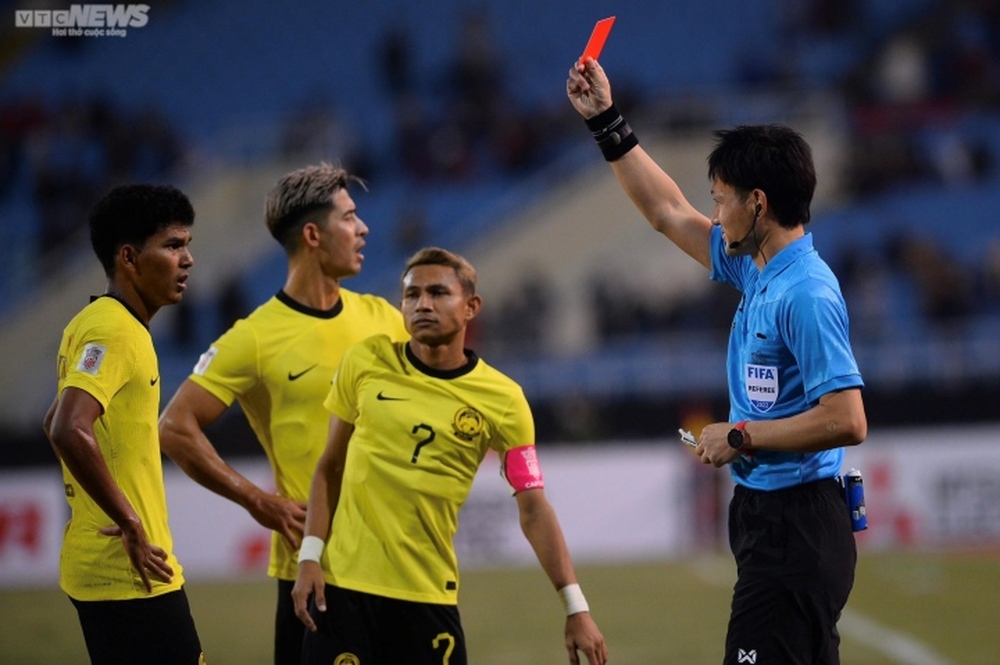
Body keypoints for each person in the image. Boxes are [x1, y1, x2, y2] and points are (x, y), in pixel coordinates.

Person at [567, 59, 867, 664]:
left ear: (758, 204)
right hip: (767, 520)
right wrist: (605, 120)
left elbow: (848, 419)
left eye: (721, 200)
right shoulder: (756, 266)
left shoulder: (804, 293)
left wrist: (740, 434)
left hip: (798, 525)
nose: (714, 212)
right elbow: (666, 213)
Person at [292, 247, 608, 665]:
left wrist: (575, 605)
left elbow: (533, 508)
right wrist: (309, 557)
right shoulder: (366, 361)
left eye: (438, 293)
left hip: (426, 596)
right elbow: (330, 467)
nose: (422, 304)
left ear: (471, 306)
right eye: (412, 295)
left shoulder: (503, 399)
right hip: (343, 591)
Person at [158, 163, 407, 665]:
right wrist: (258, 501)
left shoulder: (384, 319)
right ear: (313, 234)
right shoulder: (254, 337)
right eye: (350, 217)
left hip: (399, 564)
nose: (364, 229)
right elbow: (174, 428)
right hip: (318, 572)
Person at [42, 184, 204, 665]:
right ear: (129, 258)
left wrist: (95, 508)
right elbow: (68, 427)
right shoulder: (115, 330)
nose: (188, 259)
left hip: (110, 568)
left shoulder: (95, 322)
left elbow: (56, 416)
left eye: (187, 245)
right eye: (173, 246)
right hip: (132, 574)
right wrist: (129, 521)